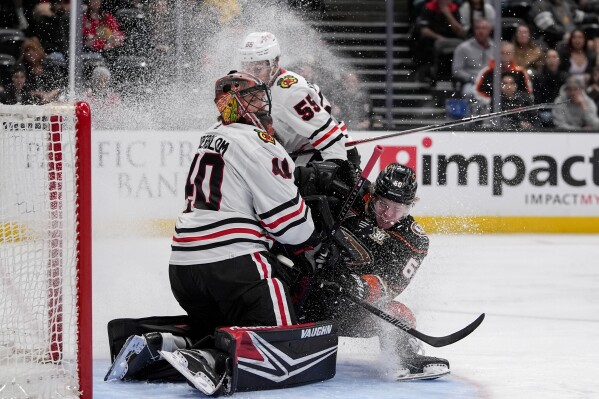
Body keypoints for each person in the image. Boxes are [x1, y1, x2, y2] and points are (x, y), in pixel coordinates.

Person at [104, 71, 337, 396]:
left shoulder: (210, 136)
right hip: (235, 268)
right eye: (254, 97)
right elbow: (292, 226)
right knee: (285, 337)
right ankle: (211, 359)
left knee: (223, 325)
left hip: (183, 272)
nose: (261, 102)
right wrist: (315, 238)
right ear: (238, 103)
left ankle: (159, 341)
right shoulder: (259, 141)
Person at [292, 162, 450, 381]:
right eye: (383, 205)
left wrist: (355, 284)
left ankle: (404, 355)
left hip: (344, 306)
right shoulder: (354, 194)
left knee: (397, 313)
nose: (388, 214)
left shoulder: (414, 241)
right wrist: (330, 171)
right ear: (373, 196)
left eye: (398, 209)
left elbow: (391, 286)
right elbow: (298, 181)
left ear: (410, 206)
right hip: (301, 284)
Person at [238, 31, 357, 167]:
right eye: (247, 68)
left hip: (325, 153)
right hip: (299, 154)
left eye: (258, 69)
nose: (251, 75)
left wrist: (338, 167)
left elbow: (327, 134)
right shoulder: (254, 87)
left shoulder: (291, 92)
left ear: (275, 64)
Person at [474, 41, 533, 107]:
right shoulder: (487, 72)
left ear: (512, 54)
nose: (505, 56)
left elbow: (528, 92)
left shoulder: (520, 72)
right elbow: (477, 91)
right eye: (502, 53)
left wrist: (515, 101)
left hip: (517, 106)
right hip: (491, 107)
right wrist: (491, 101)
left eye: (508, 53)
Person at [452, 17, 495, 97]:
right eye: (477, 28)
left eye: (484, 28)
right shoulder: (463, 48)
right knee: (468, 93)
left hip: (492, 82)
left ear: (489, 30)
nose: (480, 31)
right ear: (474, 30)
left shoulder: (496, 48)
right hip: (471, 82)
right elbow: (457, 70)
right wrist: (472, 78)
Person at [533, 49, 569, 126]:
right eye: (549, 57)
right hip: (544, 110)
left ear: (559, 61)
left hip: (561, 110)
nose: (552, 60)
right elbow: (537, 99)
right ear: (545, 61)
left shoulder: (565, 77)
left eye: (554, 57)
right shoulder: (538, 77)